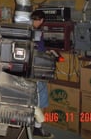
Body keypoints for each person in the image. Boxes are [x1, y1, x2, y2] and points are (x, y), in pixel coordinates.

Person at [31, 10, 53, 138]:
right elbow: (39, 51)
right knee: (41, 98)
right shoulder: (37, 32)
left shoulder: (25, 29)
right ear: (41, 20)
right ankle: (38, 128)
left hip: (28, 70)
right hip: (37, 70)